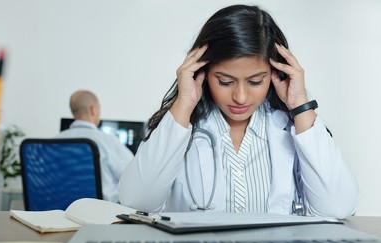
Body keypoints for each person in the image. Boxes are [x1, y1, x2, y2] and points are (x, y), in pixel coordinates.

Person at [118, 5, 359, 218]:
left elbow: (337, 208)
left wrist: (300, 105)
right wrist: (184, 103)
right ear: (201, 72)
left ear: (276, 74)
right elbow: (136, 203)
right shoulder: (178, 128)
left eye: (255, 81)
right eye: (224, 81)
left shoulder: (290, 128)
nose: (240, 97)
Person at [57, 90, 134, 202]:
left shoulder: (52, 142)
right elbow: (133, 179)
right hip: (99, 215)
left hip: (55, 214)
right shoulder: (109, 142)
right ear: (93, 109)